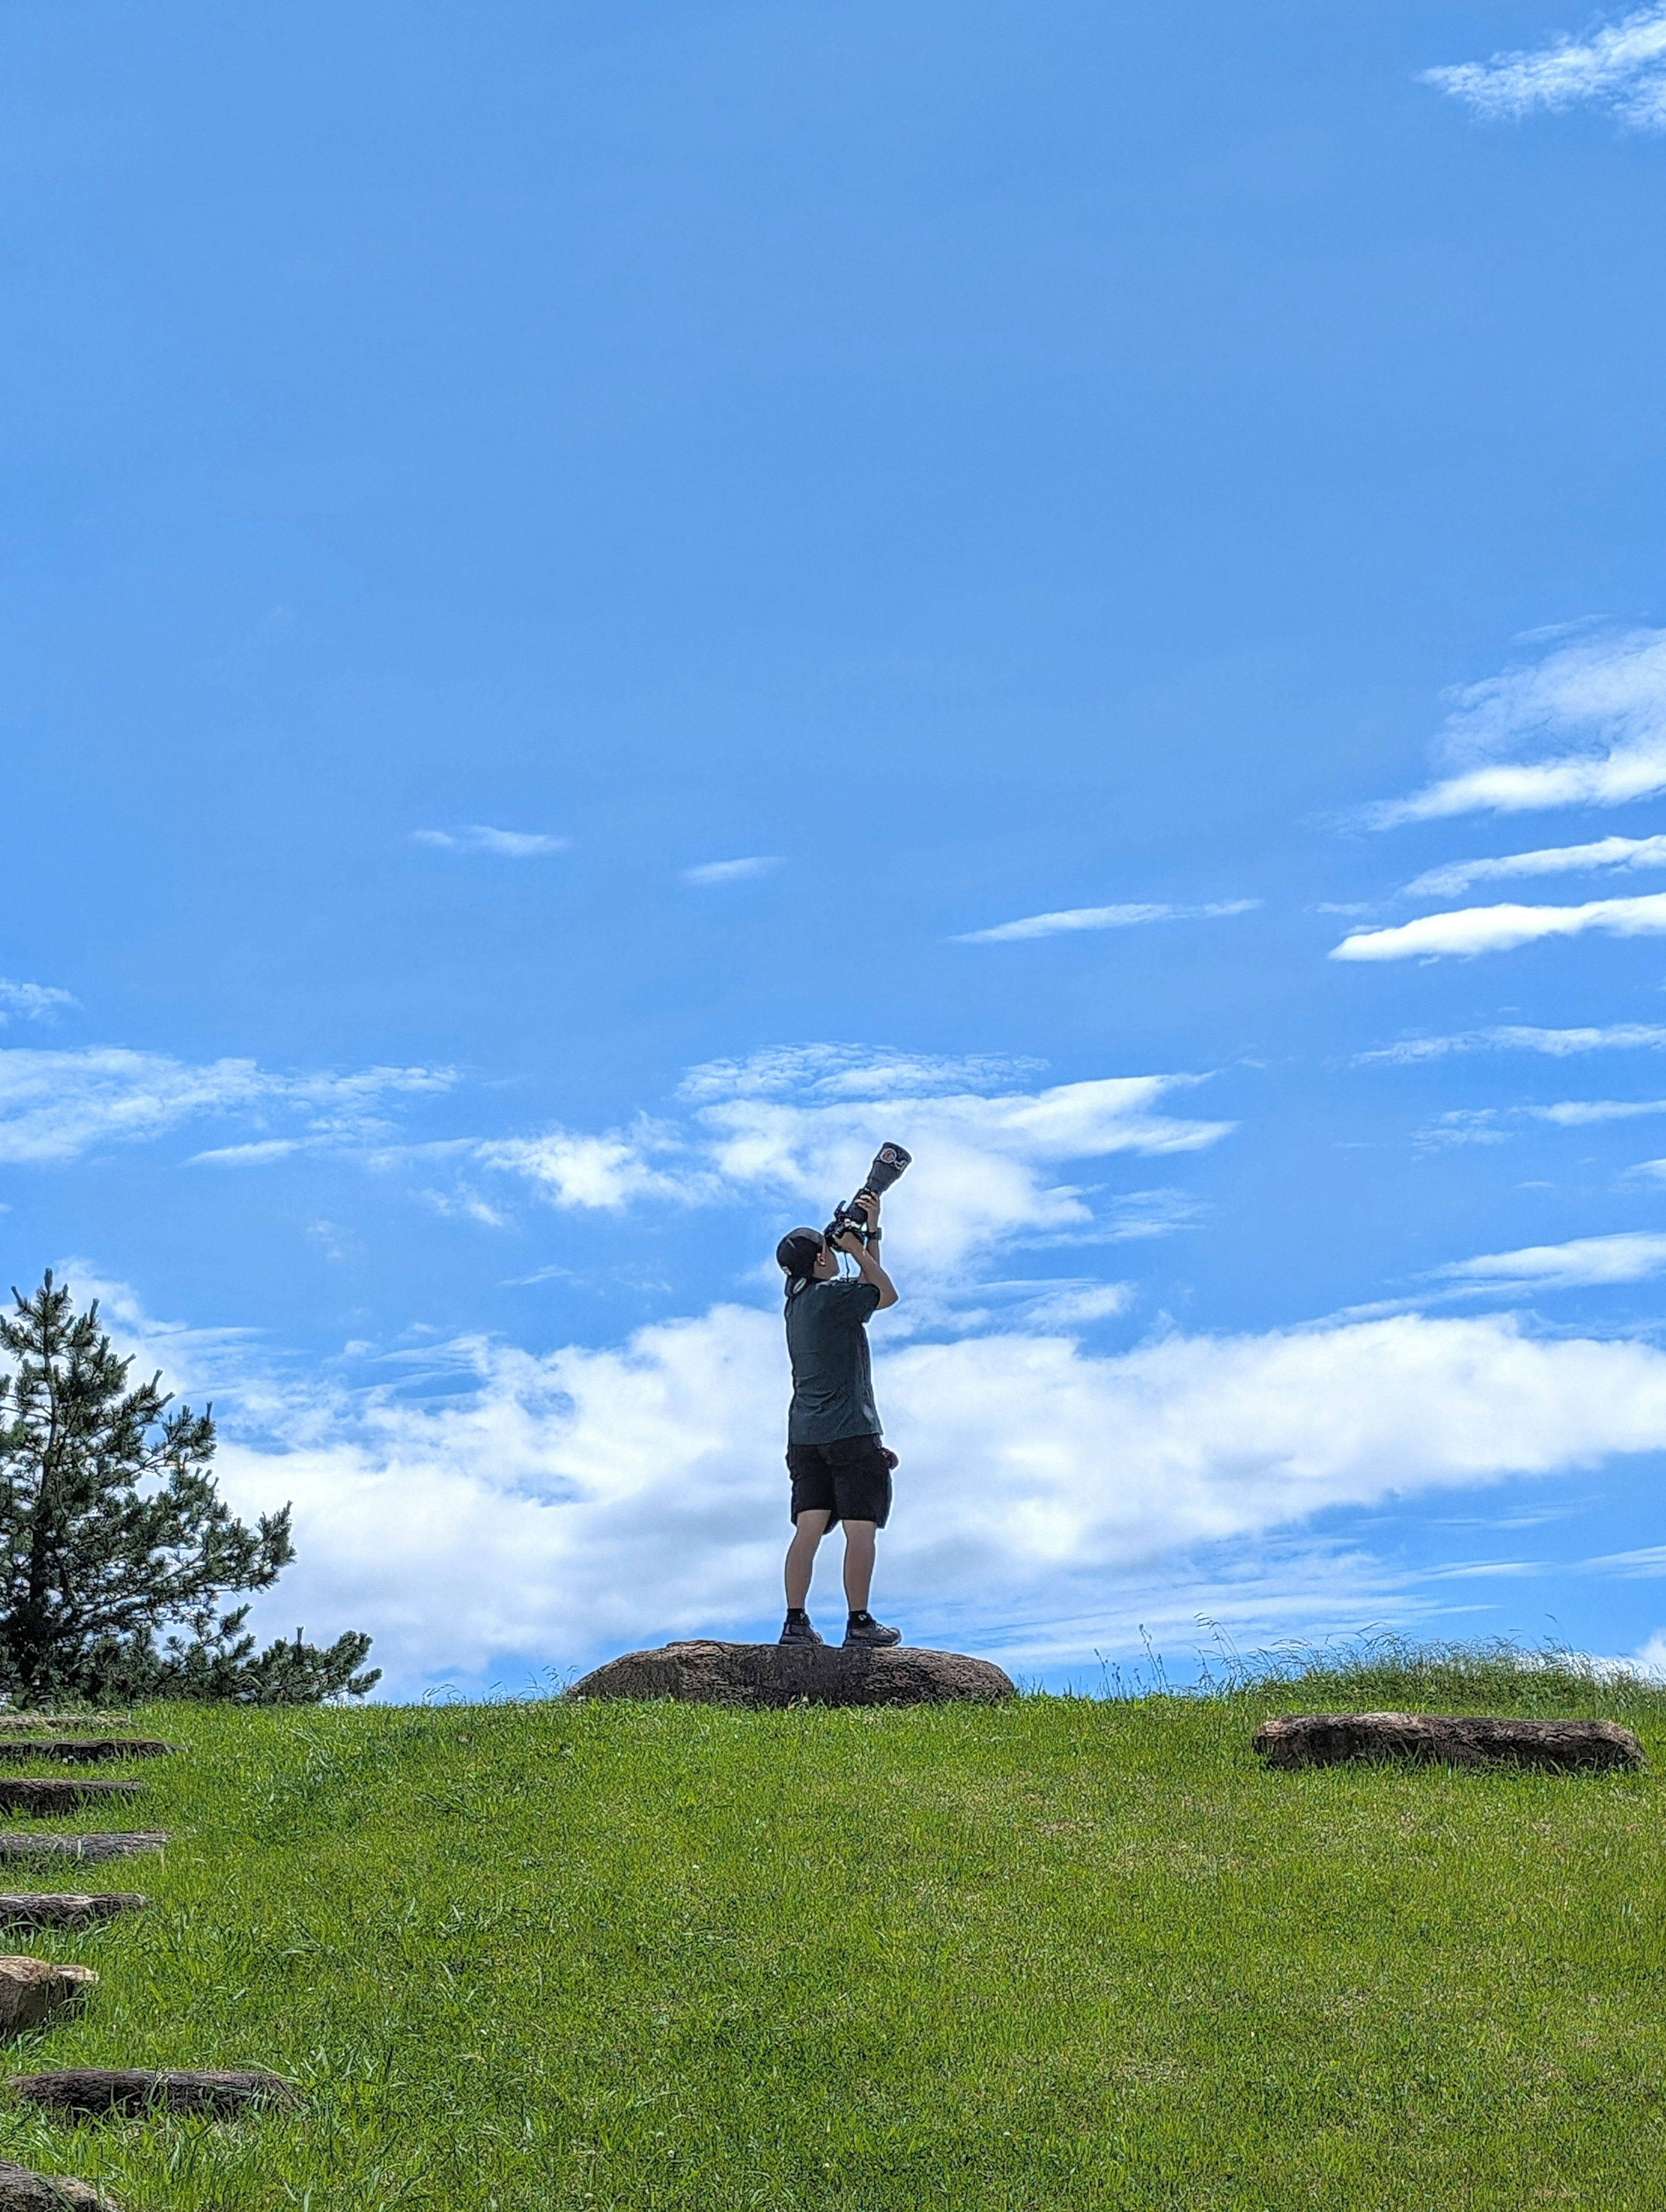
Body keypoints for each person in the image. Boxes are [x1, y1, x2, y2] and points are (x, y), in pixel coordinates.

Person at [774, 1193, 901, 1648]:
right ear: (822, 1258)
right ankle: (860, 1621)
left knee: (809, 1527)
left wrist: (866, 1237)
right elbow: (885, 1293)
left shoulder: (797, 1304)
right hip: (851, 1431)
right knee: (859, 1527)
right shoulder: (831, 1299)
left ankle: (795, 1621)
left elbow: (869, 1290)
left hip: (805, 1438)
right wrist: (862, 1243)